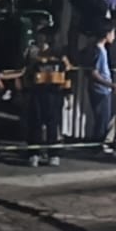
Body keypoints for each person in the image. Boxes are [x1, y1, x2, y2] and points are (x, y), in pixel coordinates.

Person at [23, 33, 71, 167]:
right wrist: (25, 91)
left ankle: (53, 154)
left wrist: (68, 94)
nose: (43, 45)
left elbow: (67, 75)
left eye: (45, 42)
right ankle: (34, 154)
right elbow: (27, 75)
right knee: (35, 124)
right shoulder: (33, 58)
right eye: (40, 42)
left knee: (53, 125)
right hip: (37, 94)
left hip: (54, 94)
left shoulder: (60, 58)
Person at [80, 21, 116, 153]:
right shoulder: (97, 51)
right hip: (101, 90)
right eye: (113, 33)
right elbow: (94, 73)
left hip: (103, 89)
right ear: (106, 34)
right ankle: (98, 145)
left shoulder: (101, 50)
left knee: (103, 118)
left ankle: (99, 144)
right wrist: (110, 85)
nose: (114, 36)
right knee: (102, 119)